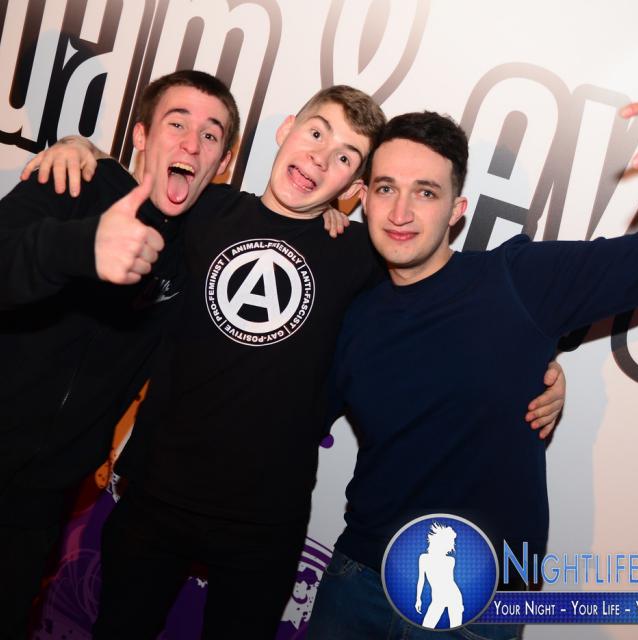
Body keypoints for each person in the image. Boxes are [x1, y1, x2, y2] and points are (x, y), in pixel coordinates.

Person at [28, 88, 564, 639]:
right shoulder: (205, 210)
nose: (319, 158)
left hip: (265, 527)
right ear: (286, 129)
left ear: (354, 189)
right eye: (315, 133)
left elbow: (445, 300)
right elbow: (147, 181)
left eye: (345, 157)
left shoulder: (361, 252)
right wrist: (79, 149)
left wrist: (533, 365)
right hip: (153, 500)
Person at [305, 104, 638, 640]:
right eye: (387, 188)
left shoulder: (519, 281)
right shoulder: (350, 312)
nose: (400, 212)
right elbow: (278, 419)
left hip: (479, 605)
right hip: (358, 581)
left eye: (425, 192)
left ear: (456, 211)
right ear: (363, 198)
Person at [0, 69, 239, 640]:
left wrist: (333, 214)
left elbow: (288, 216)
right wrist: (79, 247)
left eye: (210, 135)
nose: (191, 144)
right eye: (177, 124)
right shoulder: (73, 182)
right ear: (141, 135)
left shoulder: (200, 247)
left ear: (223, 161)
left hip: (39, 503)